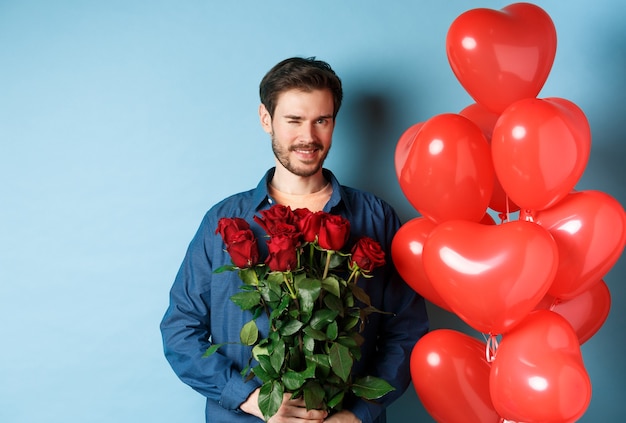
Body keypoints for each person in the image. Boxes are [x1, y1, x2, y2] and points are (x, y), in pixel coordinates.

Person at [160, 57, 429, 423]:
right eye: (294, 121)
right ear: (265, 119)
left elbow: (406, 331)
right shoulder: (223, 222)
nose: (309, 137)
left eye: (322, 120)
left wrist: (359, 414)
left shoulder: (375, 217)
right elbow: (181, 329)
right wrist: (254, 400)